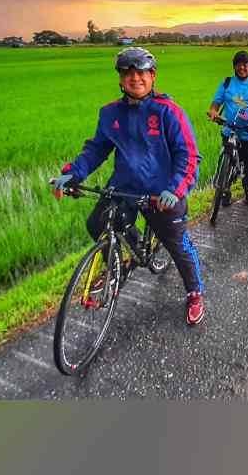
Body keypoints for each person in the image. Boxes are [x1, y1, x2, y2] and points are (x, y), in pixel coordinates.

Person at [51, 47, 206, 326]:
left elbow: (189, 155)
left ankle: (195, 293)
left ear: (152, 76)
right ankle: (124, 260)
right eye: (128, 73)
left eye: (141, 72)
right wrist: (73, 174)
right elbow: (96, 149)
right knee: (97, 224)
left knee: (179, 246)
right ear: (121, 79)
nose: (135, 78)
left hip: (162, 194)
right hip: (124, 187)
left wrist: (175, 189)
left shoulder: (167, 112)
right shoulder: (110, 113)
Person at [207, 50, 248, 206]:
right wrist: (213, 112)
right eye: (238, 64)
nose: (242, 67)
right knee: (227, 158)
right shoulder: (227, 83)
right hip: (230, 129)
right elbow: (216, 103)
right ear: (234, 67)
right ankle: (225, 188)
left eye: (245, 65)